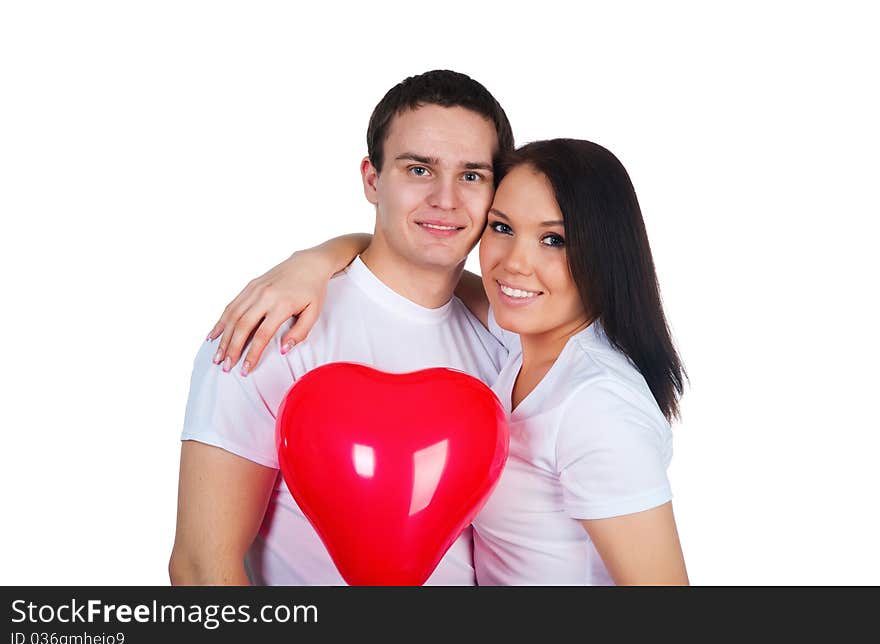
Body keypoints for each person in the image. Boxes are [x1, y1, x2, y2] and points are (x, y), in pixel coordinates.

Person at [210, 138, 690, 585]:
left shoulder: (597, 404)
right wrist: (314, 260)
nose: (514, 263)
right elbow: (411, 265)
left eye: (553, 240)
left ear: (605, 253)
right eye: (502, 228)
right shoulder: (519, 341)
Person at [169, 69, 515, 585]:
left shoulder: (506, 336)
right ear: (373, 180)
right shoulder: (272, 327)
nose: (446, 198)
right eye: (419, 169)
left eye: (471, 175)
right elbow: (200, 568)